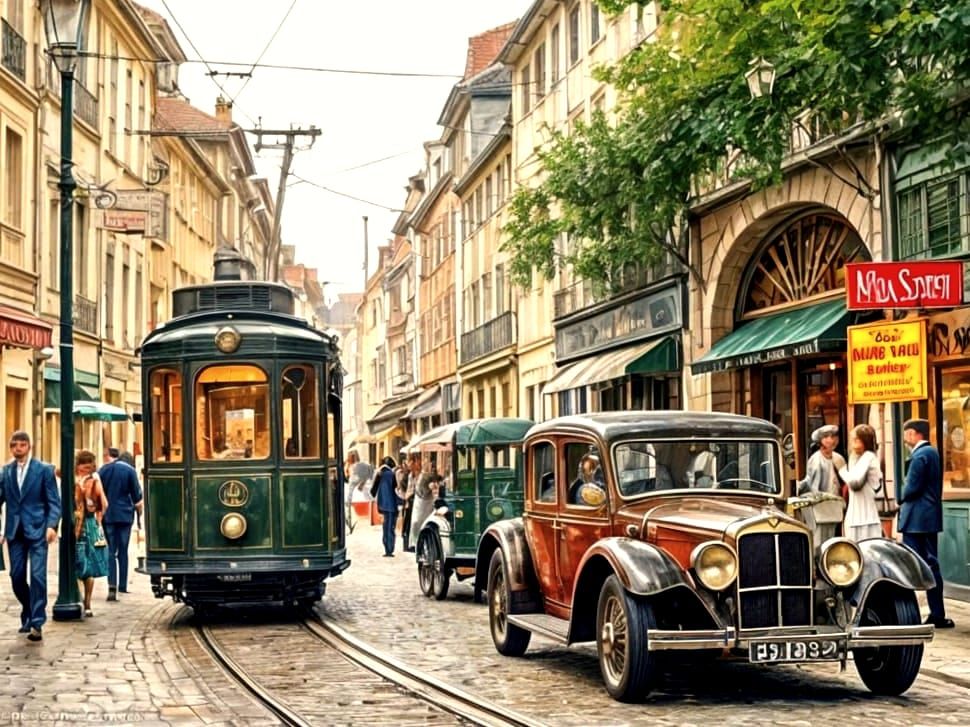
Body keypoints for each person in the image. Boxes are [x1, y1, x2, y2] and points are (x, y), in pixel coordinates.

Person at [0, 431, 60, 641]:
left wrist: (52, 525)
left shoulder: (44, 470)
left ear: (29, 447)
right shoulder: (6, 472)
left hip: (38, 530)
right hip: (15, 532)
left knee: (37, 576)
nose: (17, 448)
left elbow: (54, 502)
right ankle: (28, 608)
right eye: (14, 445)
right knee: (16, 576)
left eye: (22, 444)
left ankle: (37, 622)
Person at [899, 418, 954, 629]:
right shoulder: (932, 453)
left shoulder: (920, 455)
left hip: (917, 519)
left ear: (914, 434)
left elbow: (911, 488)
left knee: (912, 564)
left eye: (907, 434)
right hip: (928, 517)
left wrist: (899, 497)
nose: (905, 439)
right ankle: (937, 613)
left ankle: (911, 613)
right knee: (930, 564)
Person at [99, 447, 143, 601]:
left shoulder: (103, 470)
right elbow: (137, 495)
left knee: (110, 550)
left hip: (108, 515)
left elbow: (99, 492)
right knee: (123, 550)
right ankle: (123, 585)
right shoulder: (130, 471)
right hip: (125, 515)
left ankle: (112, 585)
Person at [74, 450, 109, 617]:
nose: (85, 470)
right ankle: (81, 600)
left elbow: (103, 504)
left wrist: (97, 519)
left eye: (88, 467)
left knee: (86, 565)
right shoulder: (75, 481)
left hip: (84, 525)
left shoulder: (92, 482)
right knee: (78, 564)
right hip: (79, 526)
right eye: (83, 467)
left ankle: (86, 602)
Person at [837, 424, 883, 542]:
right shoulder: (855, 457)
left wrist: (842, 471)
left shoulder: (868, 457)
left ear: (865, 441)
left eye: (856, 440)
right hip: (856, 517)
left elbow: (855, 482)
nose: (853, 444)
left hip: (866, 518)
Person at [798, 424, 846, 495]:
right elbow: (812, 483)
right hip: (822, 498)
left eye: (833, 436)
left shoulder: (839, 458)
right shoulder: (815, 459)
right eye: (826, 437)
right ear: (820, 440)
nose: (831, 440)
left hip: (837, 498)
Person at [371, 456, 399, 557]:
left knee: (385, 527)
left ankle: (387, 548)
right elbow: (397, 489)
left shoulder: (379, 473)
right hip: (392, 504)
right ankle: (390, 549)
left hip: (382, 505)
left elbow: (372, 492)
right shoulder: (392, 474)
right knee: (391, 527)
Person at [408, 456, 433, 551]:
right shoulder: (416, 475)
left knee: (422, 523)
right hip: (419, 503)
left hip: (426, 503)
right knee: (416, 523)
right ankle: (415, 543)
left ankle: (420, 543)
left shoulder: (427, 476)